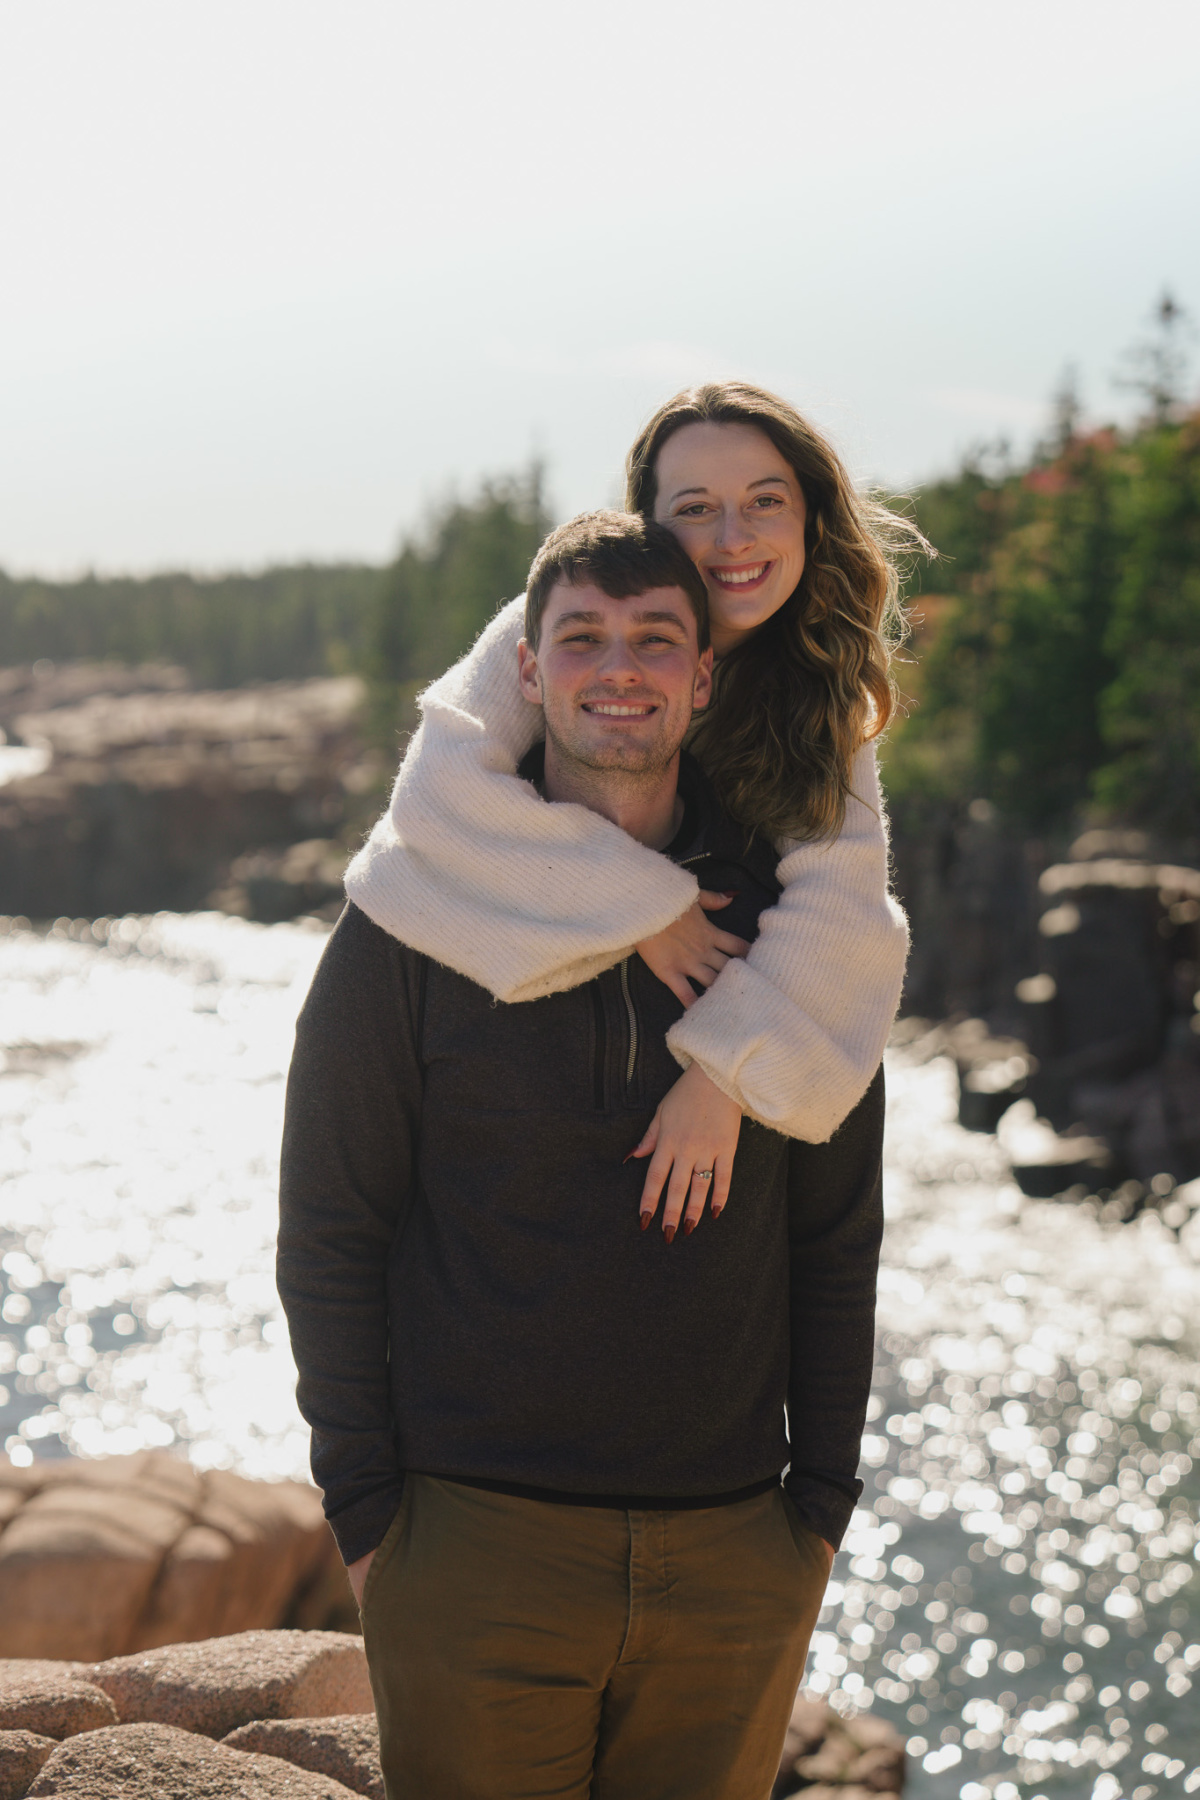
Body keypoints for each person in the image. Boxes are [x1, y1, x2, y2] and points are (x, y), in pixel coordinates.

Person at [278, 511, 884, 1800]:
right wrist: (372, 1521)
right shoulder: (412, 921)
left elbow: (835, 1233)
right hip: (475, 1549)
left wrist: (816, 1517)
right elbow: (332, 1223)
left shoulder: (793, 930)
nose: (622, 668)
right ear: (529, 671)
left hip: (733, 1554)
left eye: (659, 639)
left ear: (704, 675)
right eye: (584, 638)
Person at [345, 382, 924, 1238]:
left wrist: (726, 1074)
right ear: (650, 521)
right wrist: (641, 909)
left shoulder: (820, 685)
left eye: (766, 501)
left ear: (809, 518)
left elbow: (850, 910)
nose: (734, 539)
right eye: (697, 509)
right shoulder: (570, 625)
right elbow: (439, 794)